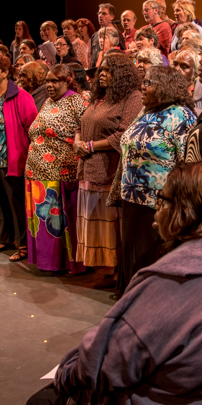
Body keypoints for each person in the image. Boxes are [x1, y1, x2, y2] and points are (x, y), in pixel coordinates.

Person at [24, 162, 202, 405]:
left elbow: (99, 367)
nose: (155, 209)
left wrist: (66, 372)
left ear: (187, 213)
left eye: (162, 199)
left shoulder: (170, 288)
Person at [117, 66, 196, 294]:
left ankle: (150, 301)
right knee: (134, 253)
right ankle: (132, 297)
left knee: (152, 255)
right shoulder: (146, 110)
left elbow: (187, 163)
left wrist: (174, 200)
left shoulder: (181, 116)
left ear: (165, 87)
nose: (142, 87)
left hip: (159, 202)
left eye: (148, 83)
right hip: (132, 197)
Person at [73, 54, 143, 270]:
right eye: (100, 70)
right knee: (94, 222)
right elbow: (80, 125)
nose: (101, 74)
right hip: (88, 168)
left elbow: (125, 134)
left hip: (108, 172)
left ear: (121, 75)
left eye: (107, 70)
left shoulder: (132, 98)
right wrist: (77, 142)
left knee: (110, 225)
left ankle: (116, 270)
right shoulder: (99, 98)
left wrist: (91, 146)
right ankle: (105, 267)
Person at [24, 65, 88, 271]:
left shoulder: (77, 101)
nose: (49, 85)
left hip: (59, 173)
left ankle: (64, 263)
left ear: (67, 81)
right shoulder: (49, 101)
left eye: (54, 81)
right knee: (44, 222)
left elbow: (84, 133)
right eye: (47, 81)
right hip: (38, 173)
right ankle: (47, 263)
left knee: (58, 222)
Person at [0, 55, 38, 257]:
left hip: (10, 159)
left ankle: (22, 244)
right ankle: (5, 239)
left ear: (5, 73)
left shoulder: (20, 96)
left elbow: (32, 128)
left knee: (15, 203)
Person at [171, 44, 202, 115]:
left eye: (184, 66)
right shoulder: (164, 91)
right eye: (175, 64)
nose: (176, 69)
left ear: (195, 73)